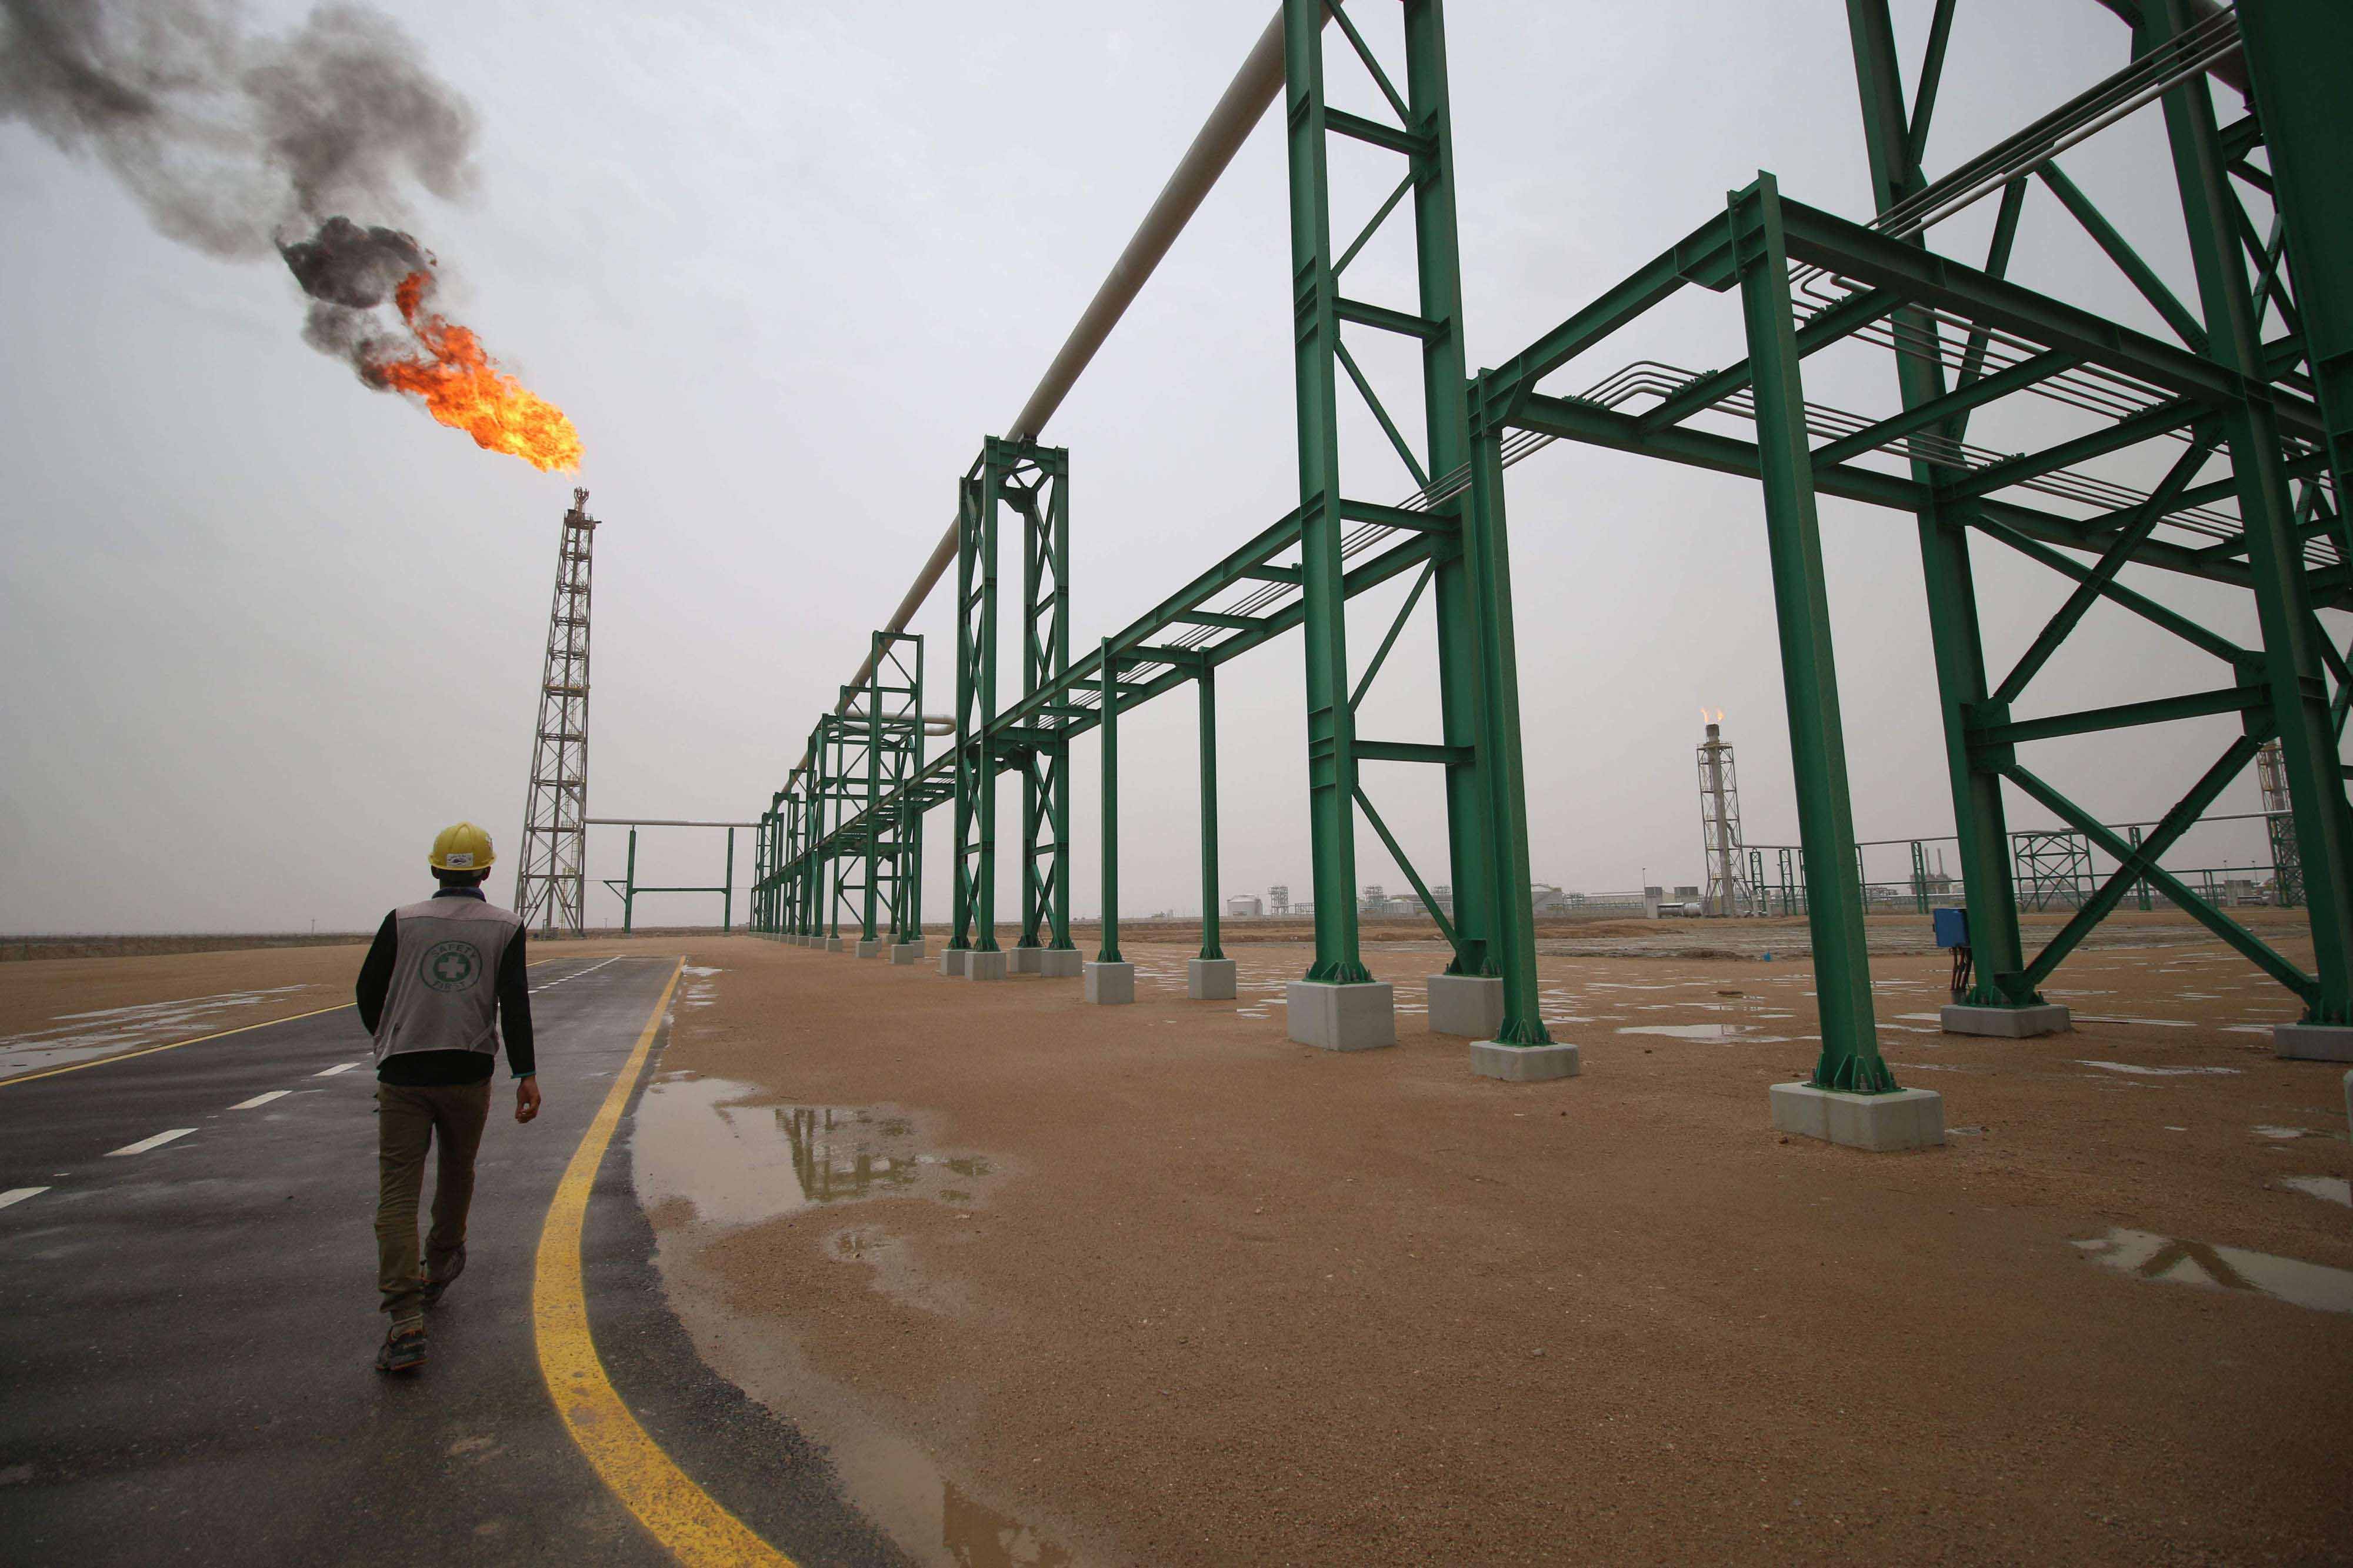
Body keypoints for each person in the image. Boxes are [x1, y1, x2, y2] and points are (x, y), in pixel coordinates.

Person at [354, 822, 542, 1374]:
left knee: (397, 1193)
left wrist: (388, 1037)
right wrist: (525, 1073)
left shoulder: (401, 920)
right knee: (458, 1172)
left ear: (436, 868)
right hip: (469, 1069)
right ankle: (439, 1264)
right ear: (486, 871)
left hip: (404, 1073)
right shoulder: (507, 927)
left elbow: (369, 991)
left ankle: (405, 1319)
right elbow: (516, 1005)